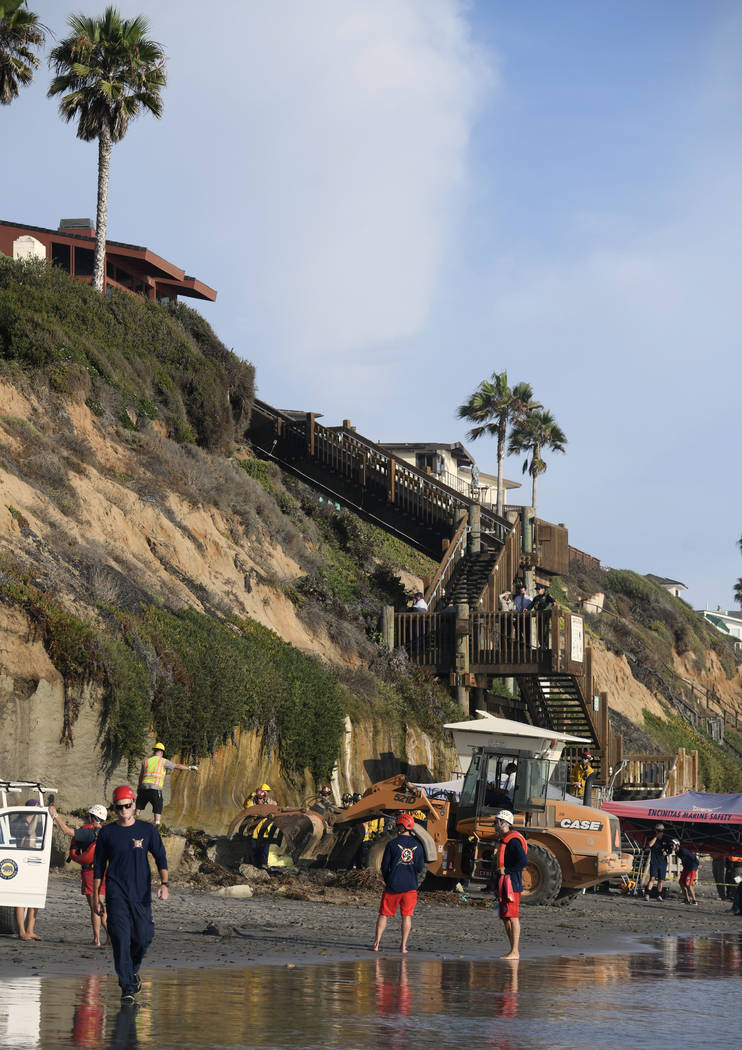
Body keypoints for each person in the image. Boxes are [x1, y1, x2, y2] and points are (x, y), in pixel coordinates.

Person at [93, 785, 169, 1004]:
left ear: (135, 805)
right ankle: (126, 986)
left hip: (141, 896)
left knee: (144, 937)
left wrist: (165, 883)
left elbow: (161, 858)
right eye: (119, 808)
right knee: (120, 939)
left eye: (127, 806)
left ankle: (132, 971)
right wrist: (98, 895)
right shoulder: (107, 833)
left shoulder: (147, 831)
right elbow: (98, 866)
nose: (124, 810)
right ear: (115, 809)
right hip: (116, 895)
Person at [49, 802, 109, 945]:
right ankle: (105, 938)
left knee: (95, 907)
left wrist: (55, 816)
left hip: (90, 873)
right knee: (100, 904)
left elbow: (67, 831)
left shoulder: (88, 832)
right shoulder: (107, 833)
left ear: (92, 817)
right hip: (105, 872)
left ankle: (101, 939)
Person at [372, 813, 425, 953]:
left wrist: (389, 879)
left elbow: (384, 866)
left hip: (393, 886)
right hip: (411, 887)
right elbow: (420, 868)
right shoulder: (419, 846)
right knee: (406, 916)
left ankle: (376, 944)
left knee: (384, 914)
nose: (396, 827)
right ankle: (403, 946)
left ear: (401, 826)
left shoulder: (392, 844)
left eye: (397, 825)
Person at [135, 742, 198, 825]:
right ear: (161, 752)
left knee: (139, 805)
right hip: (155, 788)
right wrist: (189, 768)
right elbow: (177, 766)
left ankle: (135, 819)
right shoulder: (163, 761)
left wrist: (139, 787)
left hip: (144, 788)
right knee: (158, 806)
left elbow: (141, 776)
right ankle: (157, 824)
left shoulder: (146, 761)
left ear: (154, 751)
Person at [493, 809, 527, 960]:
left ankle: (515, 951)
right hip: (504, 882)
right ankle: (512, 950)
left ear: (503, 823)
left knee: (512, 916)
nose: (494, 825)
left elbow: (523, 862)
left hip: (512, 883)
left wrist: (506, 870)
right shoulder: (505, 839)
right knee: (505, 916)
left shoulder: (513, 841)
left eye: (496, 822)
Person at [14, 799, 43, 941]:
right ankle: (21, 931)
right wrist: (38, 814)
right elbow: (29, 832)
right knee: (21, 899)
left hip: (36, 863)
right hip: (23, 862)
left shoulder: (39, 823)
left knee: (35, 898)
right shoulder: (19, 822)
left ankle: (30, 930)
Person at [643, 823, 673, 900]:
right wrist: (656, 837)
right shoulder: (653, 838)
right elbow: (649, 845)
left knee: (660, 880)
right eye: (659, 831)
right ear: (656, 831)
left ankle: (659, 895)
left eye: (662, 831)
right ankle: (647, 894)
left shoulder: (666, 840)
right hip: (654, 862)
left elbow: (670, 849)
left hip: (662, 863)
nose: (660, 833)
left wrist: (666, 852)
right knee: (652, 878)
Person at [674, 841, 699, 905]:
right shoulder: (676, 852)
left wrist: (697, 864)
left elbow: (692, 857)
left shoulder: (684, 850)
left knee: (688, 884)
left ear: (677, 845)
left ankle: (694, 900)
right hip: (686, 867)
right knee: (681, 882)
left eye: (673, 845)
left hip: (692, 867)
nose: (671, 846)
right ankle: (686, 899)